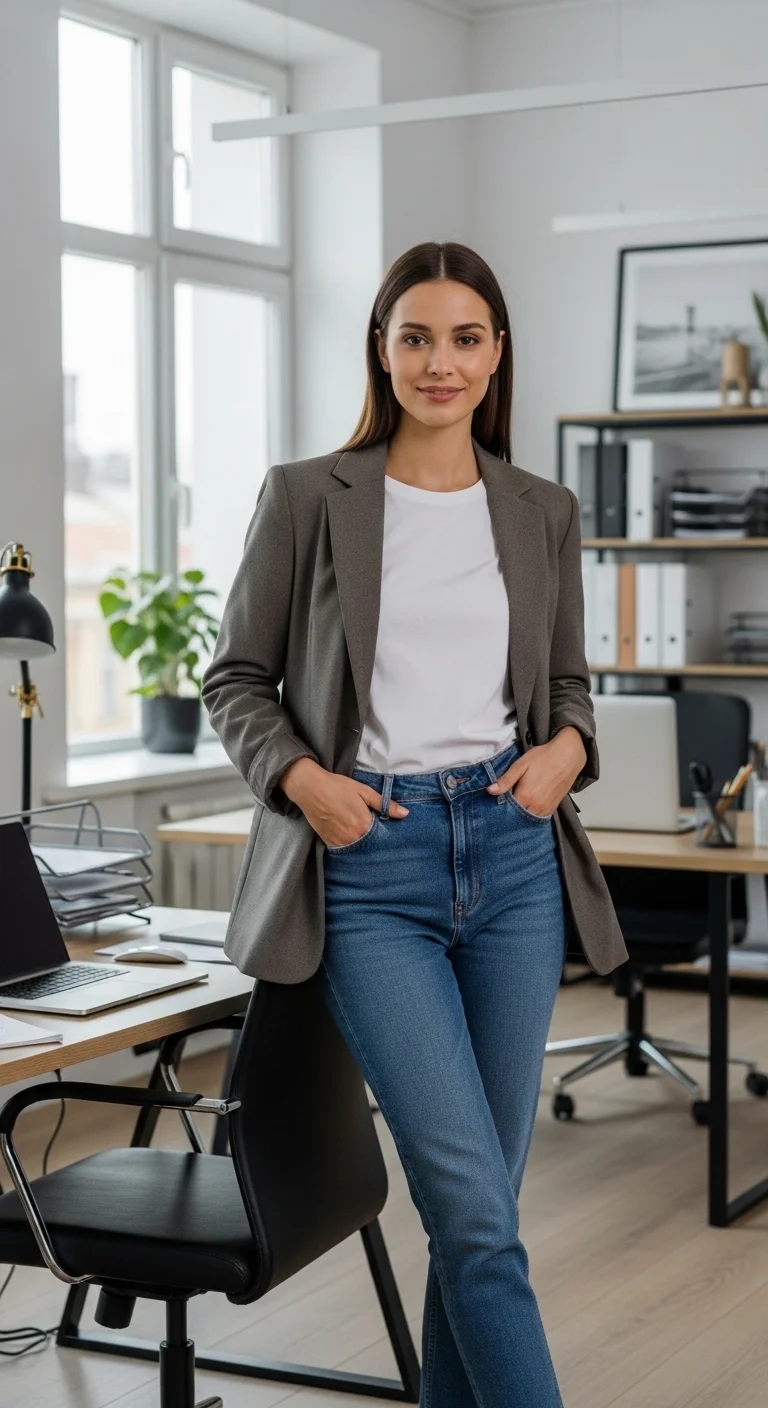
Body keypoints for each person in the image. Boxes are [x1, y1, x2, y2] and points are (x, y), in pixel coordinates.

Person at [202, 240, 628, 1408]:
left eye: (466, 338)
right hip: (370, 865)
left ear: (497, 357)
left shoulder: (542, 508)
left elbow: (573, 685)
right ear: (382, 351)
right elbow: (234, 677)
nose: (441, 362)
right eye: (415, 337)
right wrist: (300, 778)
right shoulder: (307, 496)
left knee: (472, 1216)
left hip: (513, 854)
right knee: (480, 1218)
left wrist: (565, 754)